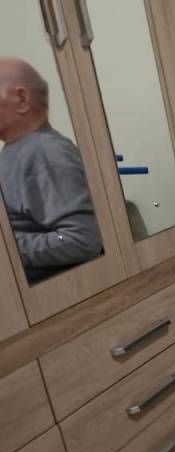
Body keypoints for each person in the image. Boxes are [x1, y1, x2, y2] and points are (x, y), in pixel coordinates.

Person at [0, 58, 102, 283]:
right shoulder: (18, 150)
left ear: (21, 99)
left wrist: (9, 249)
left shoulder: (44, 154)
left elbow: (83, 240)